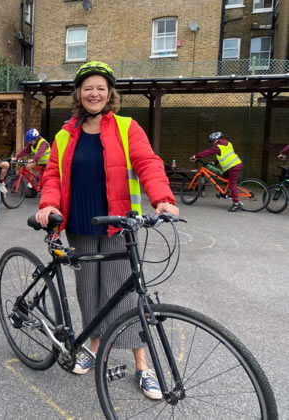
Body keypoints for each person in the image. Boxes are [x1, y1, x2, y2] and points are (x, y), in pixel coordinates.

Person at [34, 61, 179, 400]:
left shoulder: (127, 127)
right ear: (79, 94)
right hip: (80, 224)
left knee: (125, 294)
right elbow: (52, 175)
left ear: (109, 93)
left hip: (118, 225)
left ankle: (143, 366)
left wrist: (162, 199)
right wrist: (48, 204)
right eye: (88, 88)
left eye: (100, 87)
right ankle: (94, 347)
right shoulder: (64, 133)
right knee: (88, 290)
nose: (94, 93)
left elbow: (148, 163)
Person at [190, 132, 244, 212]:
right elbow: (225, 155)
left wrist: (195, 156)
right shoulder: (228, 143)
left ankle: (236, 203)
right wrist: (215, 163)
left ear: (216, 139)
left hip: (233, 167)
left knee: (232, 184)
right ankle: (228, 191)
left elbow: (207, 152)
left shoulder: (218, 147)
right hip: (234, 165)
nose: (213, 143)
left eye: (213, 141)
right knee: (224, 177)